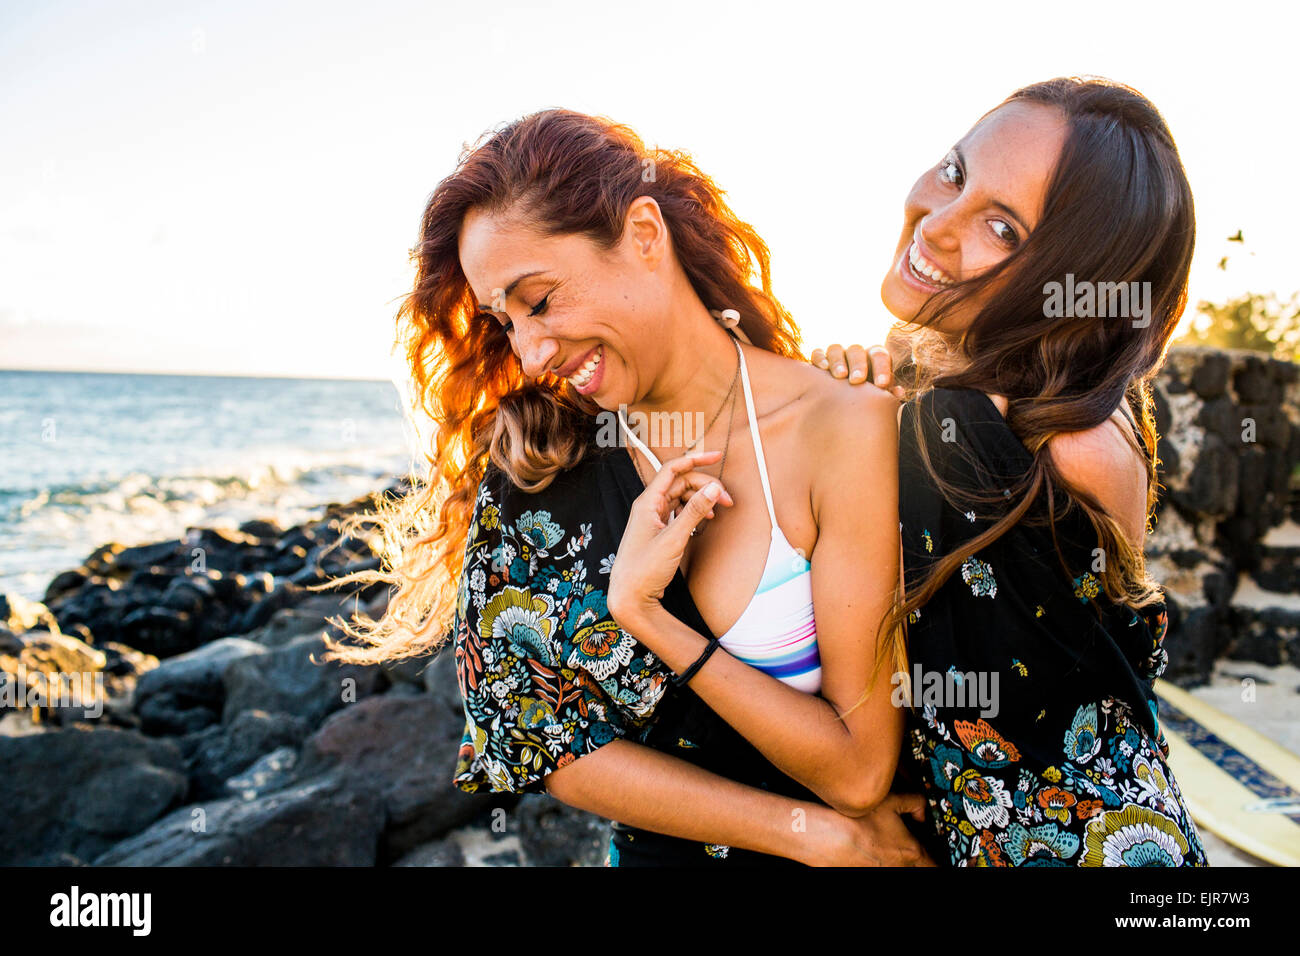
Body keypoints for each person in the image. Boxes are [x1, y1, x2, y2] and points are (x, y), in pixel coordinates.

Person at [318, 108, 928, 866]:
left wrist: (646, 613)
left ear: (644, 234)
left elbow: (860, 767)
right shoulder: (538, 469)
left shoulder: (842, 422)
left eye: (539, 300)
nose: (532, 352)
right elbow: (549, 746)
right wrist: (813, 835)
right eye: (504, 321)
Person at [809, 76, 1209, 866]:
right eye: (955, 172)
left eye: (1004, 228)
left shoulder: (1075, 439)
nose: (940, 223)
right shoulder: (949, 394)